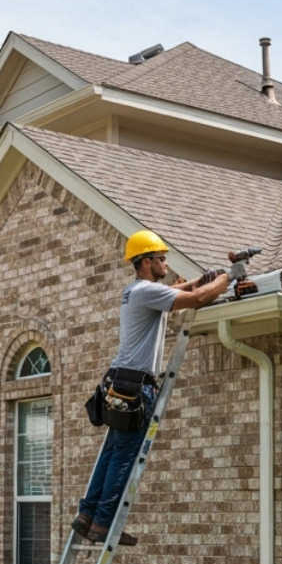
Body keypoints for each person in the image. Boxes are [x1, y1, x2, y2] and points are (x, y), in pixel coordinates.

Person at [73, 230, 234, 547]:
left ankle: (87, 515)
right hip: (135, 385)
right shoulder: (146, 291)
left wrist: (200, 280)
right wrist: (227, 277)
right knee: (123, 457)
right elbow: (197, 299)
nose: (165, 263)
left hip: (118, 382)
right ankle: (104, 524)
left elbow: (177, 291)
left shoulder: (135, 291)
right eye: (161, 258)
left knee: (111, 452)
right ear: (146, 262)